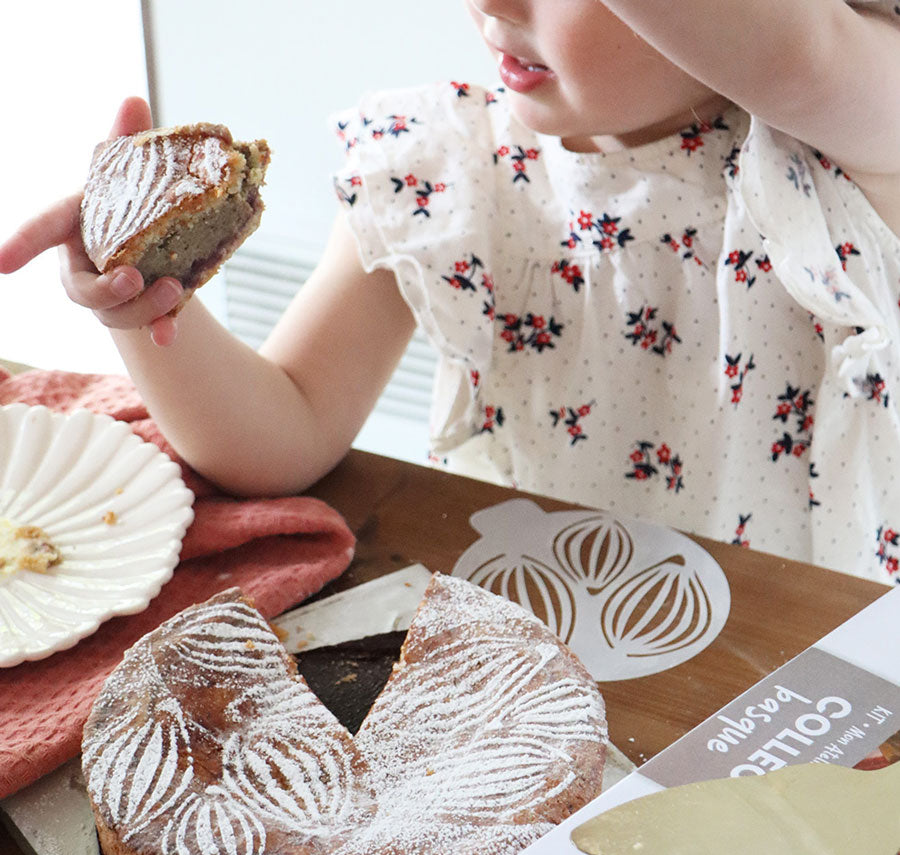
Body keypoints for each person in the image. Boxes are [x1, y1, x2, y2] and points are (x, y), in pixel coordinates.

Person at [2, 0, 900, 584]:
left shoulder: (851, 142)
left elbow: (798, 56)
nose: (494, 5)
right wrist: (146, 307)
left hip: (816, 677)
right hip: (562, 655)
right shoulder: (448, 165)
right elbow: (282, 438)